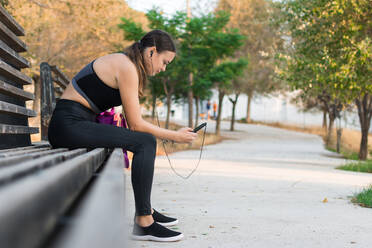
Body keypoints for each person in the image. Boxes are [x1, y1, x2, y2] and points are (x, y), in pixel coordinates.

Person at [48, 30, 197, 242]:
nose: (163, 69)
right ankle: (144, 222)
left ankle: (147, 212)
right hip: (69, 124)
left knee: (144, 140)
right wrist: (174, 136)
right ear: (152, 52)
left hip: (77, 123)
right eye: (165, 62)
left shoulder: (127, 64)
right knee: (145, 141)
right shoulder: (126, 66)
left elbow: (133, 120)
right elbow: (136, 125)